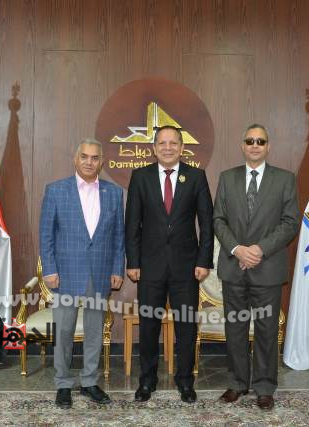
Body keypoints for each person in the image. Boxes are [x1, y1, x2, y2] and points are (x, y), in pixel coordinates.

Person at [213, 124, 300, 410]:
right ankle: (238, 383)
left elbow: (290, 222)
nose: (254, 145)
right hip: (234, 267)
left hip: (267, 267)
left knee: (266, 330)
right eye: (250, 140)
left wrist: (259, 249)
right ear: (242, 145)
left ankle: (264, 387)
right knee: (235, 329)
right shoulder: (227, 178)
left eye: (260, 141)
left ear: (268, 146)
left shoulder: (284, 179)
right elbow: (218, 220)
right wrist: (238, 249)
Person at [125, 125, 214, 403]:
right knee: (149, 326)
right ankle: (147, 380)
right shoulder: (140, 176)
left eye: (173, 143)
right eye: (162, 143)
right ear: (154, 148)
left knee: (186, 326)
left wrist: (204, 261)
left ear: (181, 147)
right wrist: (133, 261)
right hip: (149, 266)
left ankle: (185, 381)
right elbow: (132, 224)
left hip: (186, 267)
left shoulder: (196, 176)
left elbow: (207, 224)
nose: (167, 147)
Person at [39, 139, 125, 409]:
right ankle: (63, 384)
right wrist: (49, 269)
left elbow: (118, 236)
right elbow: (46, 235)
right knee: (63, 331)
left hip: (99, 273)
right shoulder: (56, 190)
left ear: (102, 162)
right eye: (84, 157)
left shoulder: (114, 193)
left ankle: (89, 381)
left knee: (94, 330)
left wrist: (117, 269)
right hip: (64, 274)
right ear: (76, 159)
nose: (89, 162)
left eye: (95, 158)